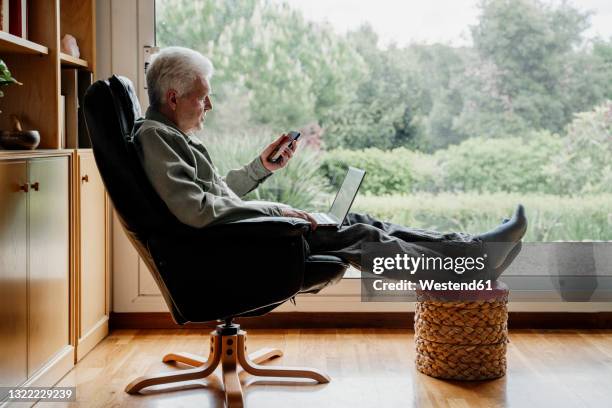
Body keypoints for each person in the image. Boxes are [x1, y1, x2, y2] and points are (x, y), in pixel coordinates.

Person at [133, 47, 526, 282]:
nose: (210, 106)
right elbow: (199, 212)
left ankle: (472, 249)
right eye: (204, 97)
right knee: (362, 237)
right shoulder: (157, 138)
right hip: (232, 247)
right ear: (173, 97)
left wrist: (261, 168)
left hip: (237, 236)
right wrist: (280, 210)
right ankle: (470, 266)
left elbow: (216, 195)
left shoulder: (173, 137)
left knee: (363, 221)